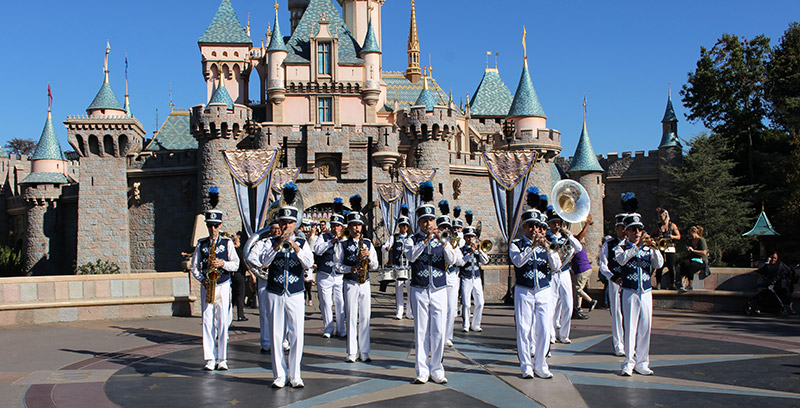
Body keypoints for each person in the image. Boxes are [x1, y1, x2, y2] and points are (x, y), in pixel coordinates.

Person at [247, 183, 313, 388]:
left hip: (295, 292)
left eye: (289, 223)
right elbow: (257, 260)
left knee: (296, 334)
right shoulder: (267, 242)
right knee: (276, 335)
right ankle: (279, 375)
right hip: (275, 291)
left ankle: (295, 374)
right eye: (283, 223)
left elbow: (309, 263)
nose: (285, 227)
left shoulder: (302, 243)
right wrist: (277, 246)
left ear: (295, 224)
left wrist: (294, 245)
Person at [405, 181, 458, 384]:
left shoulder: (444, 238)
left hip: (439, 289)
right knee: (420, 330)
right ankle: (421, 370)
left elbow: (452, 260)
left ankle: (437, 368)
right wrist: (425, 241)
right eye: (424, 220)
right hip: (419, 288)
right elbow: (411, 257)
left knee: (438, 330)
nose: (428, 224)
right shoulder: (412, 239)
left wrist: (443, 241)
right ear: (419, 222)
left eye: (431, 220)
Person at [510, 187, 561, 379]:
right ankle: (526, 366)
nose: (534, 230)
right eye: (530, 226)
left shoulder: (546, 244)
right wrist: (532, 247)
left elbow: (556, 266)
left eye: (537, 227)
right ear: (524, 226)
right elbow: (518, 262)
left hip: (544, 290)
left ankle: (541, 364)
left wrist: (548, 248)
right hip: (524, 290)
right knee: (524, 329)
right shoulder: (517, 244)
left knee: (544, 329)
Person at [613, 212, 664, 376]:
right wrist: (635, 247)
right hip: (629, 292)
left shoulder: (648, 247)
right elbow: (621, 261)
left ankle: (643, 362)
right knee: (630, 327)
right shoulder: (620, 247)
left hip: (646, 291)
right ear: (626, 231)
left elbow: (659, 263)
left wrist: (654, 248)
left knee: (645, 327)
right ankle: (628, 362)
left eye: (639, 230)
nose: (637, 233)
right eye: (633, 230)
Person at [189, 210, 240, 371]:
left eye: (215, 226)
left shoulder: (226, 243)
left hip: (223, 285)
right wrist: (201, 279)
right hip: (208, 285)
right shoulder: (201, 244)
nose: (213, 229)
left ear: (220, 225)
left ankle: (222, 358)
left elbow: (236, 264)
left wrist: (223, 264)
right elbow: (194, 267)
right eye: (210, 226)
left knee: (223, 322)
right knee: (207, 321)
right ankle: (210, 358)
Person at [335, 195, 379, 362]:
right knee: (351, 317)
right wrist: (350, 268)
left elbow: (375, 265)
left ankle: (365, 351)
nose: (356, 228)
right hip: (350, 283)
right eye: (353, 225)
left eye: (359, 225)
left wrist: (368, 257)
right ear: (349, 227)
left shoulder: (367, 243)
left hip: (365, 283)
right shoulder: (343, 243)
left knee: (365, 317)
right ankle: (352, 352)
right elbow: (337, 266)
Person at [547, 209, 583, 344]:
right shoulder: (547, 237)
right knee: (551, 305)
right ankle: (551, 334)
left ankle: (564, 334)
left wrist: (569, 235)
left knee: (568, 303)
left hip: (565, 272)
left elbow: (578, 248)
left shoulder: (565, 237)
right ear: (549, 224)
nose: (556, 225)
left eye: (558, 222)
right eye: (554, 223)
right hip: (552, 274)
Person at [313, 198, 347, 338]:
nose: (335, 228)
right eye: (333, 225)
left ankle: (340, 328)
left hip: (339, 275)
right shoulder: (323, 236)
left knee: (340, 303)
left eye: (337, 226)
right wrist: (331, 241)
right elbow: (317, 250)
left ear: (341, 227)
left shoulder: (345, 239)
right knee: (326, 303)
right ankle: (328, 328)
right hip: (325, 274)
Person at [598, 213, 629, 357]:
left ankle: (630, 343)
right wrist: (613, 277)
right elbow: (603, 266)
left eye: (625, 228)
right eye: (620, 227)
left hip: (631, 282)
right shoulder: (609, 244)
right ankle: (619, 344)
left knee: (631, 314)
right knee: (616, 312)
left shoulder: (633, 244)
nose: (623, 231)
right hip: (615, 281)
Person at [437, 200, 464, 348]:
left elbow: (460, 261)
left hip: (452, 276)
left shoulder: (454, 242)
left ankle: (448, 336)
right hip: (439, 275)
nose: (445, 229)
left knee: (451, 307)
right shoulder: (435, 240)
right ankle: (438, 334)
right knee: (439, 308)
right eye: (443, 227)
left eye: (448, 227)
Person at [459, 210, 489, 332]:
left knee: (480, 302)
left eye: (472, 236)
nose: (471, 239)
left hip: (476, 278)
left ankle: (476, 324)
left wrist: (480, 250)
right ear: (465, 238)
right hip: (465, 278)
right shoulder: (461, 250)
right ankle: (466, 324)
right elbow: (461, 262)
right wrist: (470, 252)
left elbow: (485, 261)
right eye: (468, 237)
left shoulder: (477, 249)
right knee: (466, 303)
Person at [254, 220, 282, 354]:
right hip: (265, 280)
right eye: (274, 228)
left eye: (278, 228)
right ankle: (266, 342)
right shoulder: (262, 243)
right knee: (265, 312)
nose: (276, 231)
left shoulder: (286, 243)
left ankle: (283, 341)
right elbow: (251, 257)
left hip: (280, 280)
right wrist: (262, 265)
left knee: (283, 312)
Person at [382, 204, 413, 320]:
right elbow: (383, 247)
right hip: (398, 266)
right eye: (402, 226)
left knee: (410, 290)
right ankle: (399, 312)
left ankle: (409, 311)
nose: (404, 228)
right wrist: (386, 248)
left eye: (405, 226)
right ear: (399, 226)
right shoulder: (393, 237)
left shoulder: (411, 237)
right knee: (399, 290)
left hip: (408, 267)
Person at [571, 213, 596, 319]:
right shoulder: (575, 245)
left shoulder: (575, 245)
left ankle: (591, 301)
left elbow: (580, 237)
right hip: (583, 269)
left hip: (582, 269)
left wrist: (587, 224)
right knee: (578, 289)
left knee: (577, 289)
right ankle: (578, 308)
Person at [652, 208, 681, 289]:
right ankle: (658, 283)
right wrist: (656, 238)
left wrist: (672, 236)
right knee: (660, 265)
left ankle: (672, 283)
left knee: (671, 266)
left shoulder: (672, 226)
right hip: (660, 247)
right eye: (659, 217)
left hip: (670, 247)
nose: (660, 218)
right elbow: (652, 235)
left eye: (661, 216)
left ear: (666, 216)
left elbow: (678, 236)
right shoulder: (657, 226)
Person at [678, 225, 708, 293]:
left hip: (700, 260)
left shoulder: (701, 240)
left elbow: (704, 252)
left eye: (691, 234)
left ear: (695, 232)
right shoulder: (691, 241)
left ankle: (690, 284)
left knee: (691, 267)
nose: (690, 235)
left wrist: (694, 250)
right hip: (692, 258)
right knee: (684, 263)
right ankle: (682, 283)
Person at [231, 232, 249, 321]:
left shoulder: (230, 251)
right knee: (240, 295)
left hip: (231, 275)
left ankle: (228, 314)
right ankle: (240, 315)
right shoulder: (238, 251)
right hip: (239, 274)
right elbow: (243, 263)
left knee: (233, 296)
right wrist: (250, 273)